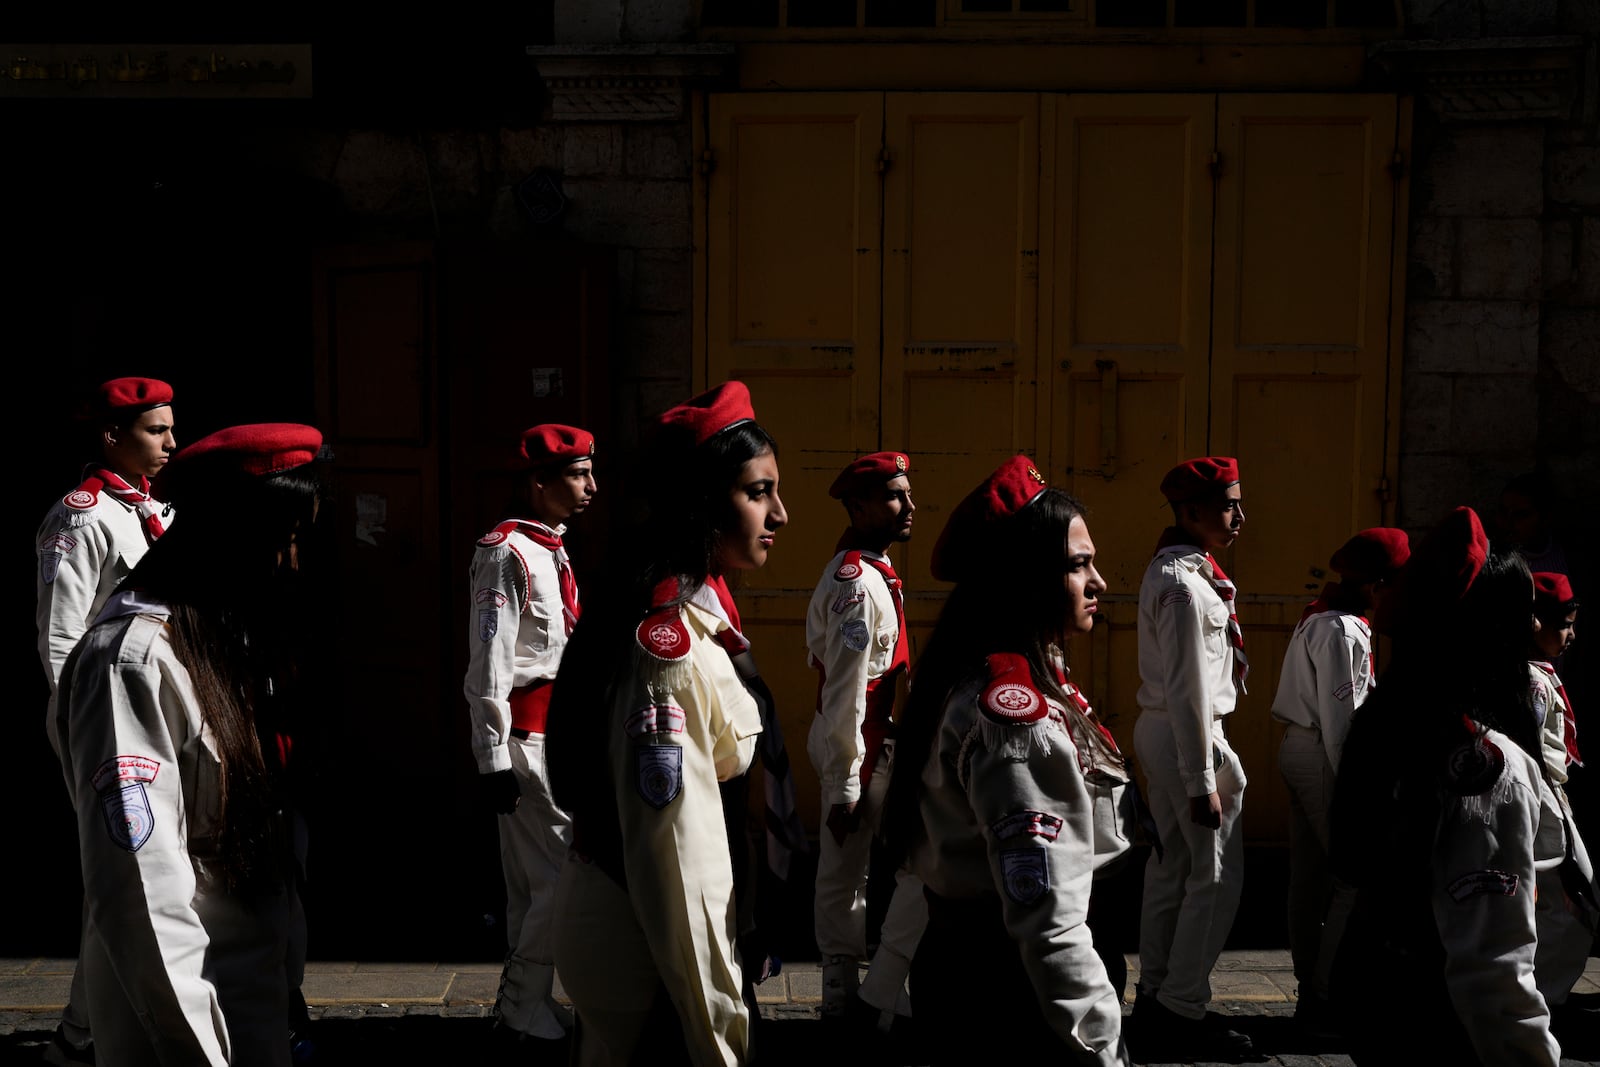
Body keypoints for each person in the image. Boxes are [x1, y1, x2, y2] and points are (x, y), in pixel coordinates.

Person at [54, 423, 328, 1067]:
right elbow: (140, 887)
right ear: (230, 532)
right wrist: (195, 1047)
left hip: (250, 987)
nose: (294, 561)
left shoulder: (223, 638)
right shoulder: (131, 661)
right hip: (183, 1012)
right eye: (283, 538)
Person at [547, 380, 786, 1066]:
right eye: (758, 492)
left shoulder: (697, 613)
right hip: (647, 947)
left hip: (639, 936)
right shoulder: (669, 648)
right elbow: (679, 869)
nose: (781, 514)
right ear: (705, 502)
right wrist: (719, 1032)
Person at [879, 454, 1135, 1065]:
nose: (1098, 582)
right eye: (1078, 566)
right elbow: (1048, 922)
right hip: (1015, 1000)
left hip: (979, 983)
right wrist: (1103, 1047)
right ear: (1028, 577)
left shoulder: (1004, 682)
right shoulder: (1015, 722)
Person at [1329, 507, 1569, 1064]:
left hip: (1380, 1001)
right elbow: (1492, 964)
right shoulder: (1487, 769)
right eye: (1525, 613)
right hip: (1443, 1024)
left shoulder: (1394, 719)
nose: (1536, 628)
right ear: (1494, 629)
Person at [34, 375, 177, 1067]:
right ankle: (82, 1029)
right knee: (115, 871)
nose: (171, 442)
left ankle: (88, 1024)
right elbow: (61, 636)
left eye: (171, 428)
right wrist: (73, 730)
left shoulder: (153, 510)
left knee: (127, 870)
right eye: (157, 430)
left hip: (150, 711)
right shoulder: (82, 516)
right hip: (102, 718)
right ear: (111, 437)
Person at [463, 423, 596, 1052]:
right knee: (559, 876)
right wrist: (491, 756)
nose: (591, 485)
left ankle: (526, 1005)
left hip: (553, 730)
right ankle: (521, 1005)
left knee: (532, 880)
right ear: (538, 482)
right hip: (525, 736)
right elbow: (489, 659)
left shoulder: (549, 548)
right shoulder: (506, 553)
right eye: (578, 474)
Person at [1129, 455, 1253, 1060]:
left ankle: (1158, 995)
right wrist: (1201, 774)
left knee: (1174, 869)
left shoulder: (1189, 572)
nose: (1240, 515)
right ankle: (1180, 1006)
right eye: (1229, 504)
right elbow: (1187, 685)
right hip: (1189, 731)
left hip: (1176, 729)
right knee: (1213, 876)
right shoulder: (1180, 583)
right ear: (1191, 512)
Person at [805, 451, 927, 1033]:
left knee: (876, 867)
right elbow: (848, 689)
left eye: (907, 493)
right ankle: (854, 992)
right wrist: (844, 783)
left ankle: (863, 989)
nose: (910, 507)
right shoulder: (857, 583)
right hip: (860, 744)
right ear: (858, 506)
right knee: (876, 865)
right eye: (894, 497)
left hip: (873, 743)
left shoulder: (871, 572)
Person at [1269, 526, 1408, 1035]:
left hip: (1301, 749)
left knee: (1309, 880)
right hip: (1325, 756)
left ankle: (1313, 988)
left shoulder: (1322, 616)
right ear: (1376, 585)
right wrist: (1361, 788)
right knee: (1354, 875)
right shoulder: (1342, 630)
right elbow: (1341, 721)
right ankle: (1325, 995)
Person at [1527, 570, 1598, 1015]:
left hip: (1550, 798)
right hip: (1543, 800)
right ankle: (1543, 999)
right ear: (1535, 623)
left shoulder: (1539, 672)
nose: (1572, 634)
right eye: (1565, 624)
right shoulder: (1532, 680)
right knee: (1579, 900)